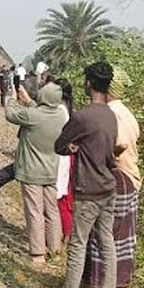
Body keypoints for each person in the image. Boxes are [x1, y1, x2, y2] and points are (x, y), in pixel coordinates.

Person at [56, 62, 119, 288]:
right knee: (106, 242)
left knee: (78, 245)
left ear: (89, 84)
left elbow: (59, 145)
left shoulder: (82, 117)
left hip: (88, 190)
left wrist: (73, 147)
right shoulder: (111, 115)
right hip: (108, 187)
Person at [83, 82, 142, 288]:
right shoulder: (126, 112)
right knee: (122, 237)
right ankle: (118, 283)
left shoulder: (111, 114)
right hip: (130, 178)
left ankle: (97, 285)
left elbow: (120, 144)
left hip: (116, 177)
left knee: (102, 235)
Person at [5, 81, 68, 264]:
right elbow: (40, 112)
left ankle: (38, 253)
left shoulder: (33, 116)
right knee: (52, 211)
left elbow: (10, 114)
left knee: (34, 212)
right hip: (51, 171)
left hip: (32, 172)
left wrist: (11, 98)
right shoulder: (60, 116)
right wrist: (29, 101)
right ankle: (55, 250)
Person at [54, 77, 76, 245]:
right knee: (66, 194)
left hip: (62, 156)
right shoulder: (70, 108)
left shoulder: (60, 110)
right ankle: (66, 232)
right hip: (69, 156)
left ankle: (65, 233)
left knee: (61, 196)